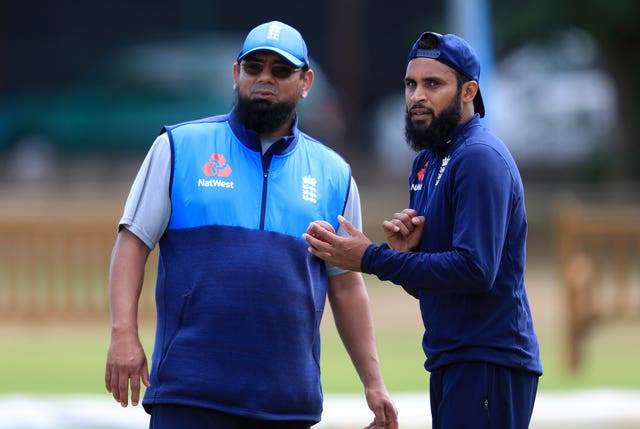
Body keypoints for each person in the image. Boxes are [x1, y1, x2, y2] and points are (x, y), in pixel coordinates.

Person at [105, 20, 398, 429]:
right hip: (189, 396)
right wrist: (123, 333)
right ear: (235, 74)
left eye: (280, 71)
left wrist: (374, 383)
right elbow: (132, 243)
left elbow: (347, 286)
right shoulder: (179, 147)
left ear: (306, 82)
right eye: (254, 67)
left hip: (286, 404)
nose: (265, 79)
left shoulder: (334, 175)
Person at [304, 31, 543, 428]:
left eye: (433, 84)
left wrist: (369, 257)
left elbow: (475, 270)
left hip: (489, 359)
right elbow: (435, 282)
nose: (417, 95)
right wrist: (406, 256)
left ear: (468, 91)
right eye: (411, 84)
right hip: (451, 357)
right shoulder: (425, 163)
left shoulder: (479, 158)